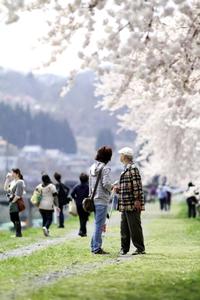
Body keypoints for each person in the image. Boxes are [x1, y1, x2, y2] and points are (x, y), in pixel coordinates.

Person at [116, 147, 145, 255]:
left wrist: (137, 200)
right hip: (124, 203)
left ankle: (140, 248)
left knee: (134, 227)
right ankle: (124, 248)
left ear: (125, 156)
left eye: (121, 154)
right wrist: (119, 188)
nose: (120, 156)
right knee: (124, 227)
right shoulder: (125, 168)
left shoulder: (133, 168)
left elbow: (137, 186)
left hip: (132, 203)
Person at [90, 146, 112, 255]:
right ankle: (96, 248)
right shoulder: (105, 169)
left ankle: (93, 246)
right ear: (108, 157)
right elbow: (106, 184)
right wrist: (112, 187)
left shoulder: (92, 168)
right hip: (102, 200)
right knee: (99, 225)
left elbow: (90, 186)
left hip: (93, 200)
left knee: (97, 224)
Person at [4, 168, 25, 237]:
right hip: (12, 201)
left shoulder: (20, 182)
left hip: (16, 201)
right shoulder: (13, 182)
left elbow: (18, 194)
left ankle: (18, 233)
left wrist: (13, 201)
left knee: (15, 216)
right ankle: (18, 233)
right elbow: (6, 188)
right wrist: (7, 179)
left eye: (12, 172)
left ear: (17, 174)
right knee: (13, 217)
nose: (11, 174)